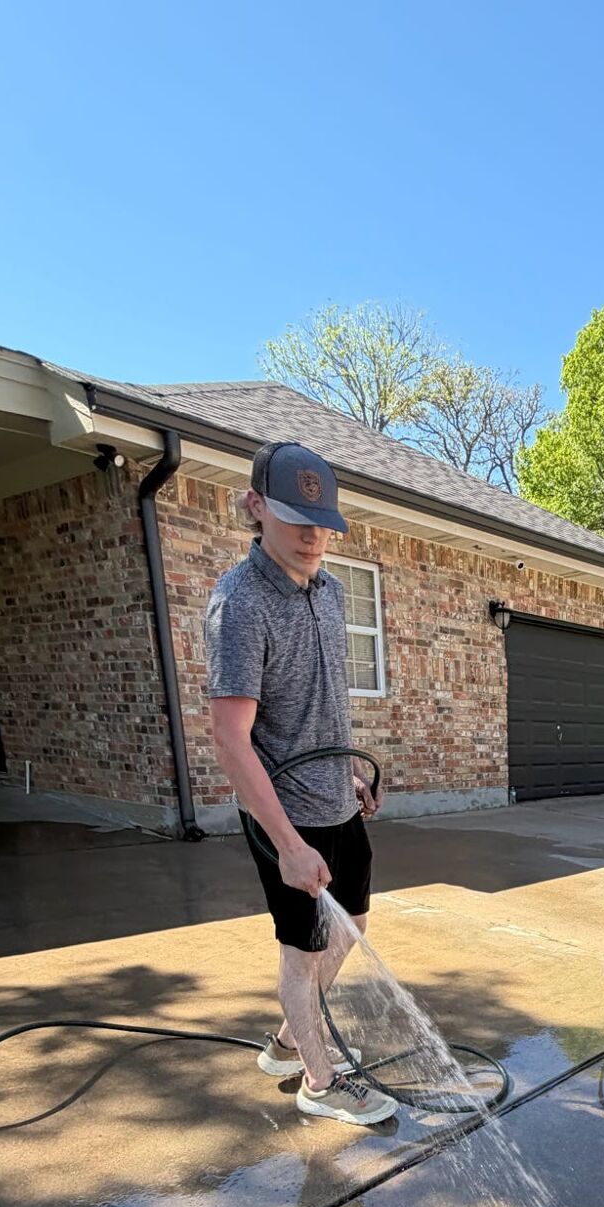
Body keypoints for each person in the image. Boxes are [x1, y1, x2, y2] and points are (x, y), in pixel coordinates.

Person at [205, 440, 399, 1126]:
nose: (315, 537)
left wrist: (348, 767)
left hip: (334, 797)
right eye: (297, 521)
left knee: (354, 924)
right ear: (256, 508)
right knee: (302, 948)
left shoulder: (329, 588)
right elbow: (230, 738)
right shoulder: (241, 603)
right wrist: (287, 843)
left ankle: (290, 1040)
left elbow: (321, 698)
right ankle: (320, 1081)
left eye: (323, 523)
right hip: (284, 812)